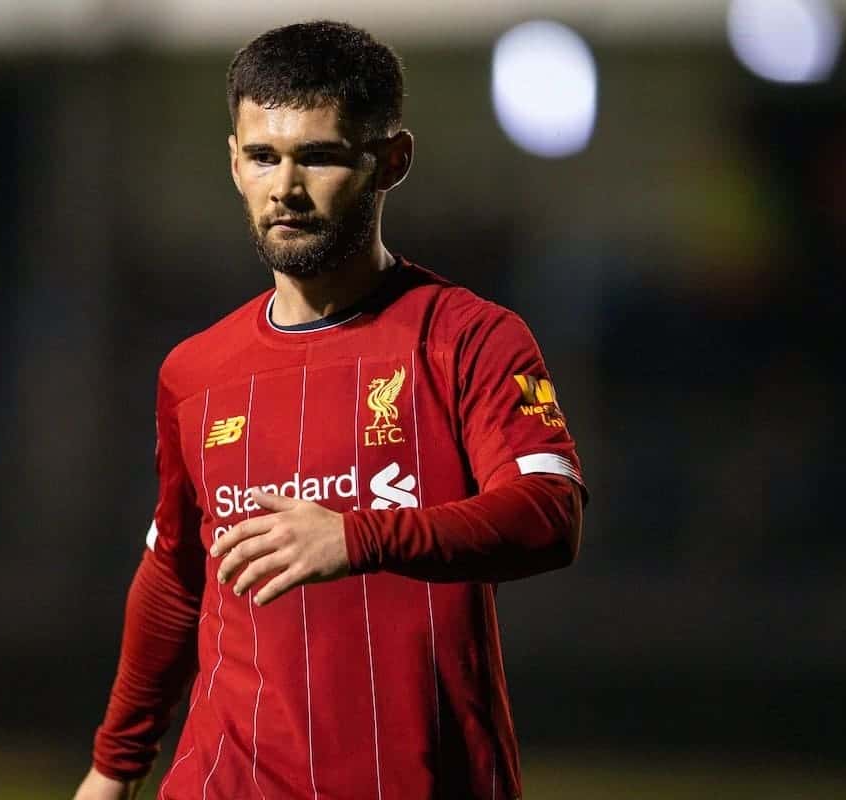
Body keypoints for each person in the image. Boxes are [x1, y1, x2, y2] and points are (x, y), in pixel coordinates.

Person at [74, 20, 585, 800]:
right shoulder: (194, 372)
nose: (285, 186)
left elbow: (550, 515)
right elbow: (178, 575)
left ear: (391, 161)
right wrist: (113, 769)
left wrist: (358, 536)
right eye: (262, 156)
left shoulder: (467, 337)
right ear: (234, 161)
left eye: (318, 155)